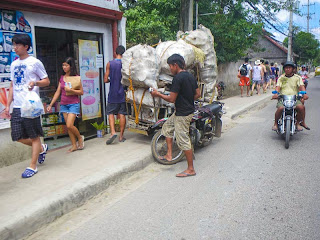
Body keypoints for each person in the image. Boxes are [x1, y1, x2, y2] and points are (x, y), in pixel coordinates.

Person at [5, 34, 50, 178]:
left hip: (30, 105)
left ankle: (33, 165)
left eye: (17, 45)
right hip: (17, 106)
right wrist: (8, 104)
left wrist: (35, 83)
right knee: (17, 136)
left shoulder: (35, 62)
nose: (15, 48)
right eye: (14, 45)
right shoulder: (13, 64)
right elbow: (12, 85)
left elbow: (46, 81)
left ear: (26, 47)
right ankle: (41, 148)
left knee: (34, 135)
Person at [150, 54, 201, 177]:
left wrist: (158, 94)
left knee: (182, 140)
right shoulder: (190, 76)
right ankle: (169, 154)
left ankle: (190, 169)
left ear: (175, 65)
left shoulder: (178, 78)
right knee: (167, 128)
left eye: (170, 66)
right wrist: (187, 99)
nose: (170, 69)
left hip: (183, 114)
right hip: (183, 111)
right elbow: (198, 94)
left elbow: (172, 99)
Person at [47, 57, 84, 152]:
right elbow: (57, 92)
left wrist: (71, 90)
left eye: (66, 65)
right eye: (63, 65)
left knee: (69, 125)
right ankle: (74, 145)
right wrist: (51, 104)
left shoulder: (76, 77)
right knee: (68, 127)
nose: (64, 67)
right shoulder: (62, 78)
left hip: (73, 104)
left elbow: (81, 92)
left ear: (71, 66)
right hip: (64, 104)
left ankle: (80, 138)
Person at [272, 61, 309, 131]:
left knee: (301, 107)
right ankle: (275, 123)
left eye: (289, 68)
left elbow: (301, 87)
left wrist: (305, 94)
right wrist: (276, 94)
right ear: (284, 69)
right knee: (280, 108)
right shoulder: (281, 78)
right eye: (286, 68)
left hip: (295, 98)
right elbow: (277, 87)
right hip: (283, 98)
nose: (287, 69)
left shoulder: (297, 78)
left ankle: (298, 123)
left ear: (293, 69)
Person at [104, 45, 127, 144]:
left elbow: (105, 80)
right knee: (122, 114)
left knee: (111, 113)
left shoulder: (110, 64)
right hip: (122, 92)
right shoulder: (125, 64)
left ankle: (113, 132)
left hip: (112, 92)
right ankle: (121, 136)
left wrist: (110, 79)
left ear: (115, 52)